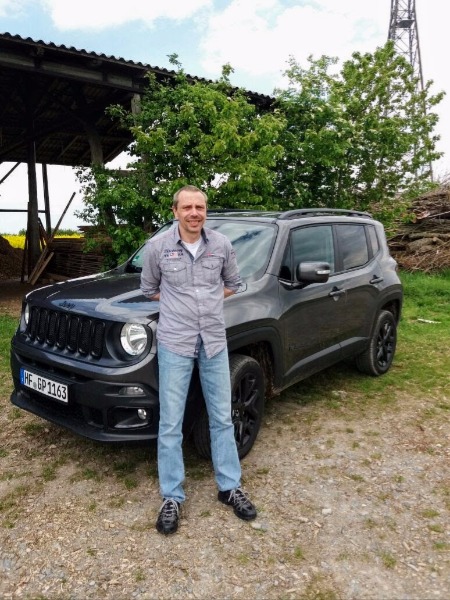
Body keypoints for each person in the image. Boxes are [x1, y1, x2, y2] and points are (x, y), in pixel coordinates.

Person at [140, 184, 257, 535]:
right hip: (175, 343)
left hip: (214, 343)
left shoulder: (221, 245)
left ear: (206, 211)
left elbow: (233, 283)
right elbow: (149, 289)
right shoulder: (157, 247)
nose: (194, 213)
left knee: (221, 417)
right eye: (187, 207)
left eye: (200, 207)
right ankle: (172, 497)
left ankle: (230, 487)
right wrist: (181, 305)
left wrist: (205, 299)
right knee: (170, 423)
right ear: (175, 211)